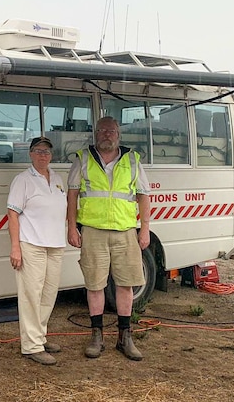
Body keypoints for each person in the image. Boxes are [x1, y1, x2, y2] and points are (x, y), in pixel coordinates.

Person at [67, 116, 150, 361]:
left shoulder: (133, 160)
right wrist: (72, 228)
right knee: (95, 284)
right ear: (95, 134)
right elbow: (72, 196)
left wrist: (144, 229)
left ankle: (125, 337)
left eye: (111, 131)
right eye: (102, 130)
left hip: (125, 232)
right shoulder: (83, 159)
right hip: (93, 231)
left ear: (118, 134)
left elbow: (144, 196)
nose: (106, 134)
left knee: (125, 285)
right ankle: (97, 336)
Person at [7, 136, 68, 365]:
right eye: (38, 151)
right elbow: (12, 213)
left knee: (48, 295)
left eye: (47, 152)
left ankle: (39, 337)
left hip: (55, 244)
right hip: (31, 244)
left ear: (51, 156)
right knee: (31, 294)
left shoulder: (57, 179)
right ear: (31, 154)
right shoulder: (23, 180)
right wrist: (15, 248)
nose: (43, 155)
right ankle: (32, 346)